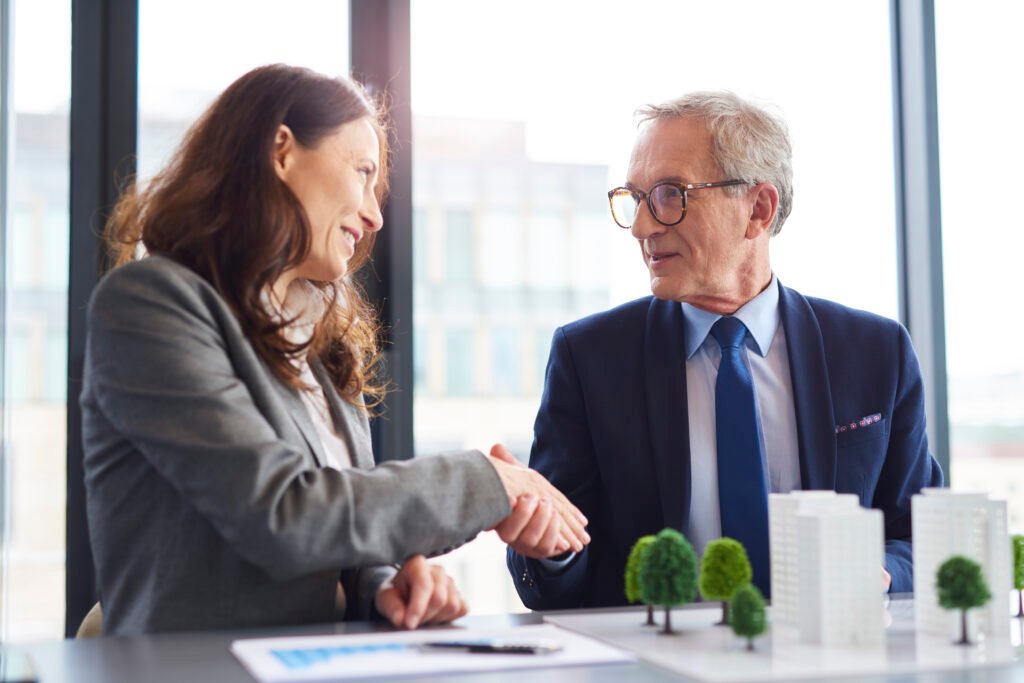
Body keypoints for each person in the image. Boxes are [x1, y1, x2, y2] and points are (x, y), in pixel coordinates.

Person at [81, 64, 588, 636]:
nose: (373, 215)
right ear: (281, 151)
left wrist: (387, 588)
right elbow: (284, 515)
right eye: (362, 172)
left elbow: (339, 540)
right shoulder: (150, 305)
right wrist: (486, 483)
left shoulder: (323, 342)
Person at [505, 91, 942, 609]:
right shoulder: (590, 358)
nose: (643, 227)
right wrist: (547, 547)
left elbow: (925, 537)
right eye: (635, 198)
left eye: (670, 195)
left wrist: (881, 574)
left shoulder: (874, 352)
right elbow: (561, 571)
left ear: (758, 209)